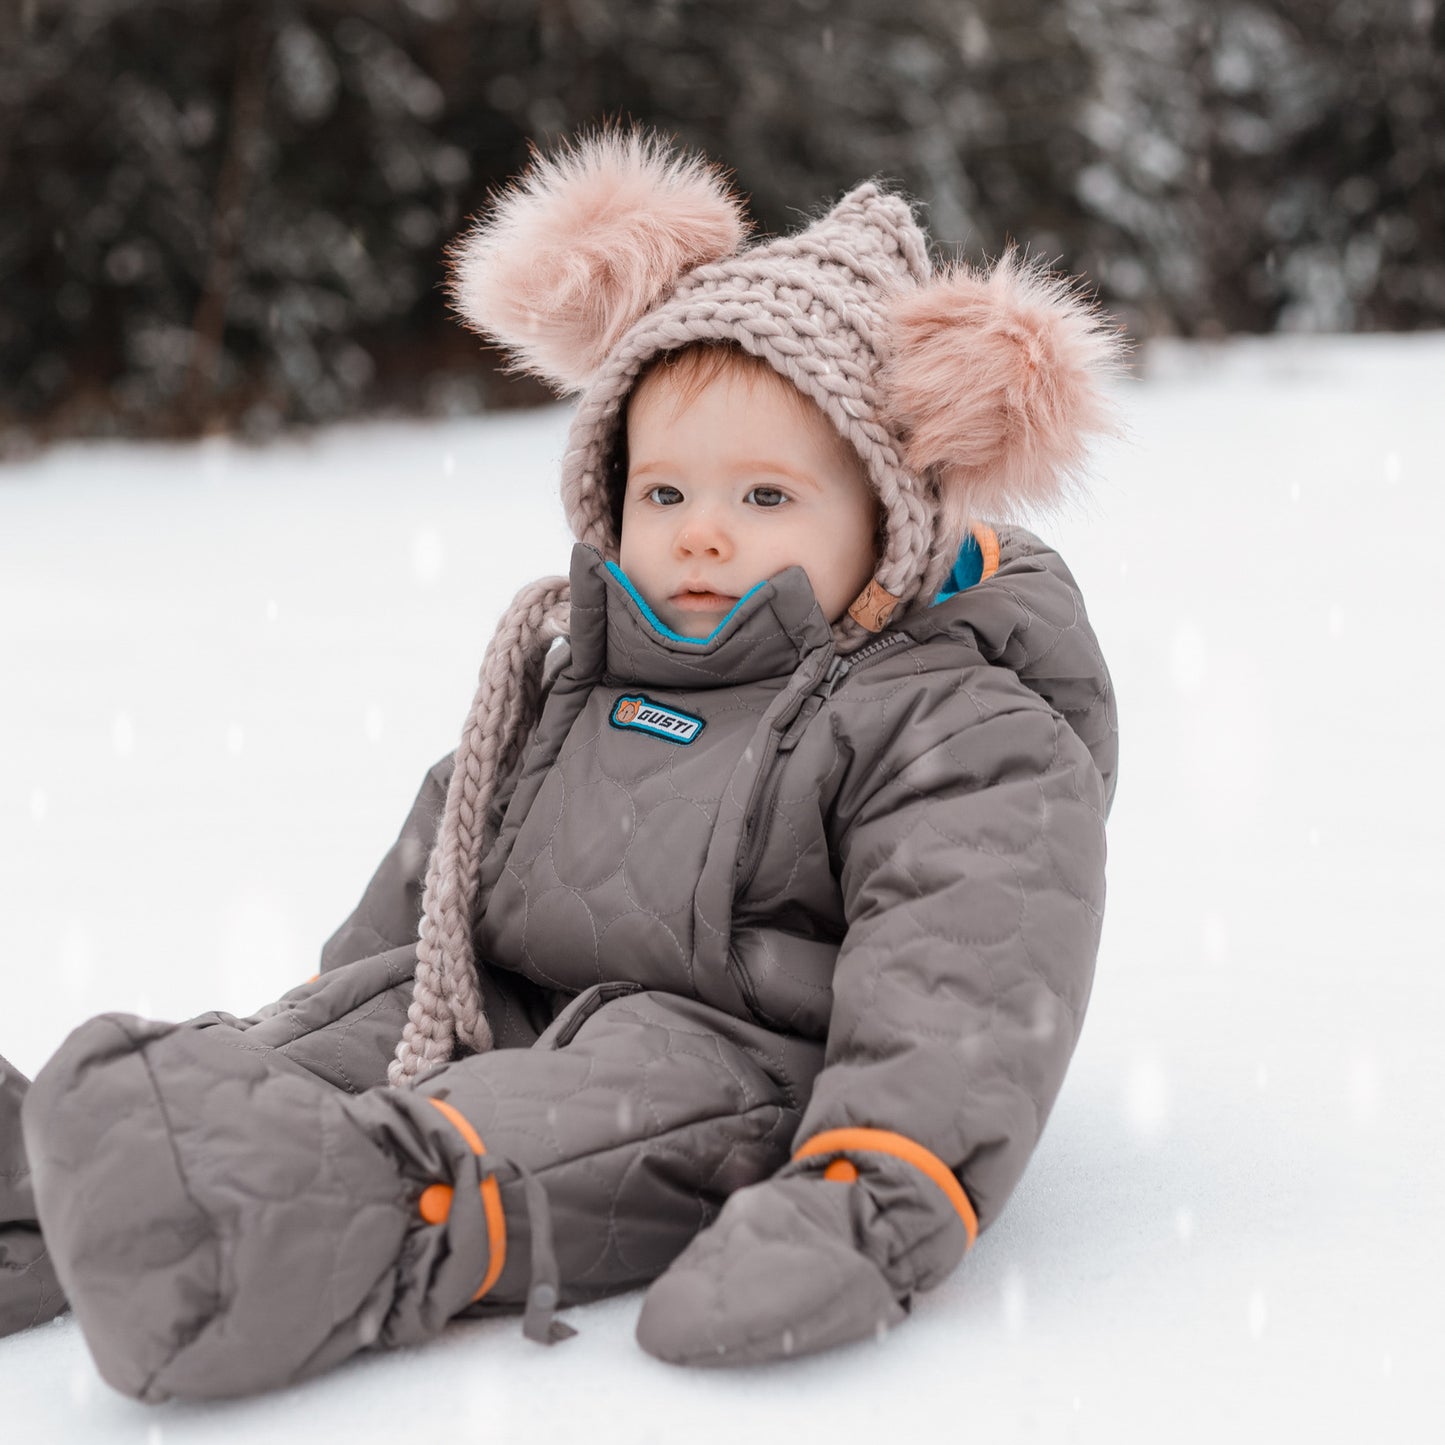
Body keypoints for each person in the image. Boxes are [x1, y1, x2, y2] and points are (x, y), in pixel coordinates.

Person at [4, 128, 1124, 1401]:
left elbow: (962, 977)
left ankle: (319, 1225)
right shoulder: (577, 670)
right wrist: (324, 1016)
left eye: (767, 498)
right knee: (335, 1042)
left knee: (554, 1122)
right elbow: (446, 855)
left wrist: (873, 1189)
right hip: (512, 991)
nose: (702, 532)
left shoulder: (950, 728)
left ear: (887, 519)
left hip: (740, 1059)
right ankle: (56, 1185)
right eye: (664, 494)